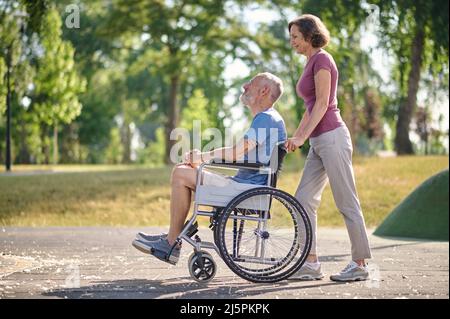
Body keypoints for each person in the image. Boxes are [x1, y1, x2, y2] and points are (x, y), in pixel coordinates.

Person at [132, 72, 287, 265]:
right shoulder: (268, 119)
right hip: (245, 185)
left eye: (250, 84)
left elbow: (236, 153)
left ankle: (172, 242)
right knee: (184, 170)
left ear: (264, 91)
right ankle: (172, 238)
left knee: (181, 172)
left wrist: (203, 157)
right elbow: (241, 156)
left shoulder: (266, 119)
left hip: (246, 189)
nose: (244, 87)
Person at [285, 14, 372, 282]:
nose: (293, 43)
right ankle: (310, 263)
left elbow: (322, 104)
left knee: (346, 201)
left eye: (296, 38)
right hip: (318, 143)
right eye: (291, 39)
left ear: (311, 35)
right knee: (302, 200)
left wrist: (302, 137)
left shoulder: (322, 59)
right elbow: (308, 110)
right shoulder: (309, 62)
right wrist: (297, 137)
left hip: (333, 136)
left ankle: (360, 264)